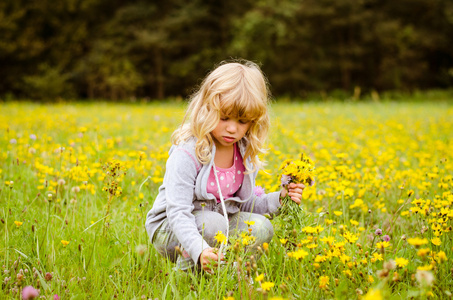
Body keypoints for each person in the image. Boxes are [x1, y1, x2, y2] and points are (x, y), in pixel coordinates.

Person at [145, 60, 306, 272]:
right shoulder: (188, 152)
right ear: (206, 109)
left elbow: (244, 206)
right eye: (224, 118)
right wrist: (199, 249)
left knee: (260, 227)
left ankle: (230, 274)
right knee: (214, 225)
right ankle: (186, 275)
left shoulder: (243, 151)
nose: (232, 128)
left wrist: (281, 198)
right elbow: (177, 213)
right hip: (170, 229)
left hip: (217, 224)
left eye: (242, 121)